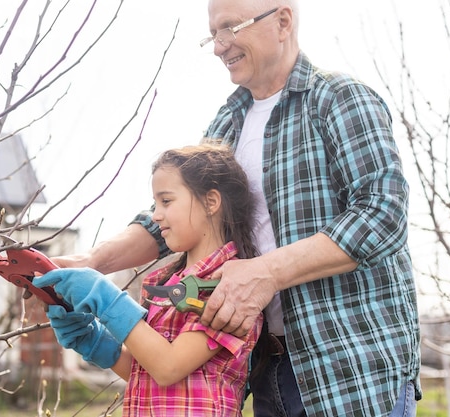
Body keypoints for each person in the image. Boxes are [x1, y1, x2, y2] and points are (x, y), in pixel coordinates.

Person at [51, 0, 422, 416]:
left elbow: (383, 214)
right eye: (213, 33)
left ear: (283, 22)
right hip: (267, 371)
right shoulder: (227, 123)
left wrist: (265, 273)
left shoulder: (338, 99)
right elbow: (172, 221)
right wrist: (86, 265)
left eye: (231, 28)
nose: (218, 46)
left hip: (347, 368)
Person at [34, 144, 263, 416]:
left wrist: (105, 297)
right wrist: (95, 342)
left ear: (211, 202)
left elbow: (169, 367)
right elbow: (149, 369)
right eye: (155, 204)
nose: (155, 215)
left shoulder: (233, 285)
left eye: (166, 201)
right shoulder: (165, 285)